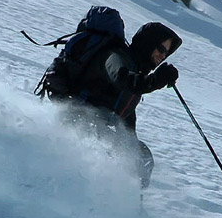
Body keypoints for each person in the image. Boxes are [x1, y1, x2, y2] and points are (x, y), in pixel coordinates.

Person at [46, 9, 182, 188]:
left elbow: (126, 119)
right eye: (161, 49)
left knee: (142, 157)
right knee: (117, 153)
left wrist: (131, 146)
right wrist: (156, 80)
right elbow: (123, 79)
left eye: (166, 53)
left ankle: (130, 202)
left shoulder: (136, 71)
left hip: (97, 126)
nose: (162, 56)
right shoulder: (116, 56)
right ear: (149, 43)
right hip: (79, 119)